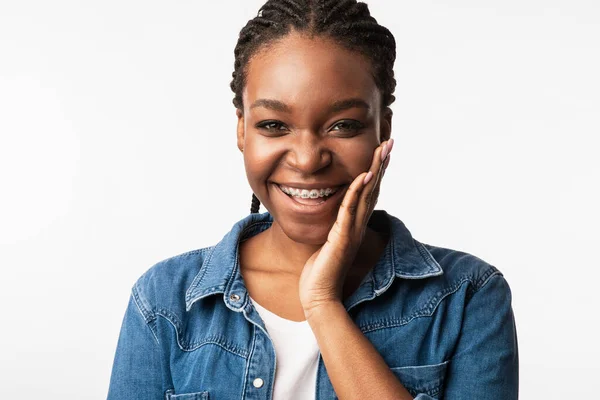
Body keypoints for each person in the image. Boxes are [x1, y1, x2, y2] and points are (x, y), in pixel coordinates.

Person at [107, 1, 519, 399]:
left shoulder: (468, 297)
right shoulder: (164, 303)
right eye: (273, 125)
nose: (307, 160)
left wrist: (323, 304)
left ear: (383, 129)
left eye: (343, 125)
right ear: (241, 130)